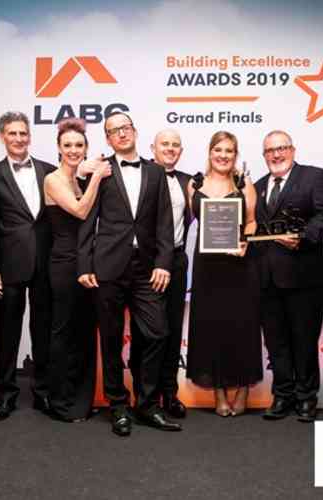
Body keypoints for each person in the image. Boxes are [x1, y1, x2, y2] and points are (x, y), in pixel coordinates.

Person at [77, 111, 181, 436]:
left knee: (156, 333)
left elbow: (164, 222)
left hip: (147, 267)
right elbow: (87, 217)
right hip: (108, 266)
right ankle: (118, 405)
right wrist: (85, 264)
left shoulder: (155, 171)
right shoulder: (102, 171)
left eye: (125, 128)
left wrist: (164, 262)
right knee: (109, 339)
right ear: (107, 139)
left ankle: (147, 405)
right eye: (113, 131)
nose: (121, 134)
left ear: (135, 131)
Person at [254, 130, 323, 422]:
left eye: (281, 148)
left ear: (292, 149)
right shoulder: (257, 186)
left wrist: (302, 236)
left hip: (304, 278)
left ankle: (306, 398)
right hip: (267, 280)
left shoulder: (314, 177)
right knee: (276, 342)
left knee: (303, 340)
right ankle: (282, 395)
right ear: (264, 156)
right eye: (269, 151)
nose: (276, 155)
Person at [0, 111, 55, 421]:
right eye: (12, 133)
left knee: (43, 332)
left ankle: (43, 393)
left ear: (30, 136)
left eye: (23, 133)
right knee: (9, 332)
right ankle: (7, 394)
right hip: (9, 265)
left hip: (45, 263)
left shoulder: (49, 171)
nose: (19, 139)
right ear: (2, 137)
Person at [186, 130, 263, 417]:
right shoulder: (194, 184)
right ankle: (219, 393)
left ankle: (243, 391)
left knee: (243, 328)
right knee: (211, 329)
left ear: (235, 155)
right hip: (207, 269)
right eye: (218, 149)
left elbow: (252, 222)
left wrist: (245, 242)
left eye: (229, 151)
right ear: (210, 152)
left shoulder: (245, 184)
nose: (223, 155)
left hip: (239, 267)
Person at [43, 118, 110, 422]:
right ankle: (60, 401)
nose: (73, 150)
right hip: (63, 263)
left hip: (88, 264)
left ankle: (82, 401)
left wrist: (90, 177)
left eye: (79, 145)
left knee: (85, 332)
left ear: (86, 148)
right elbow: (81, 211)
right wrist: (97, 177)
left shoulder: (81, 179)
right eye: (67, 145)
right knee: (63, 333)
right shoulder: (53, 179)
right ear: (59, 147)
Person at [129, 129, 192, 419]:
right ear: (152, 147)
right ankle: (142, 396)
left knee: (172, 328)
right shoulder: (139, 174)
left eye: (175, 145)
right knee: (148, 332)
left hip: (176, 260)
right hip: (145, 263)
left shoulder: (187, 181)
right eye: (164, 144)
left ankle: (170, 393)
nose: (170, 149)